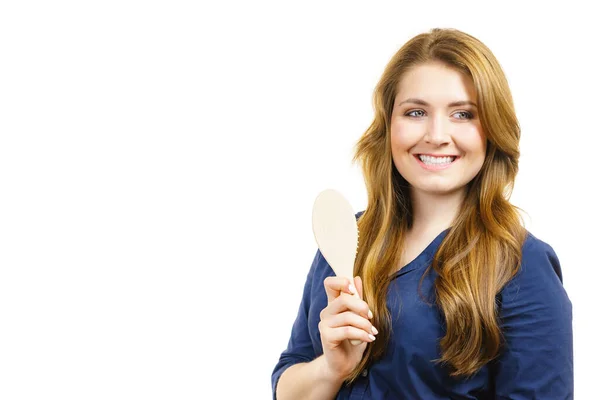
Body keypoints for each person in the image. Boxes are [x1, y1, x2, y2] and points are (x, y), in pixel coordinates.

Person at [271, 28, 573, 399]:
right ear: (388, 125)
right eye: (416, 112)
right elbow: (288, 386)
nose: (436, 134)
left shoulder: (522, 266)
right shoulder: (345, 239)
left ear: (492, 131)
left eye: (463, 114)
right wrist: (333, 367)